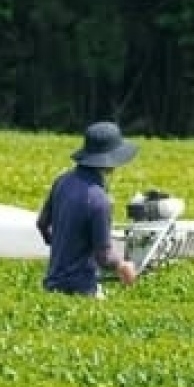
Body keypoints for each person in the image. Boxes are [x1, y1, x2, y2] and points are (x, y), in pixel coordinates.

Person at [36, 121, 139, 298]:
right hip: (82, 290)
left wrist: (61, 245)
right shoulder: (99, 200)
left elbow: (42, 224)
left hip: (52, 285)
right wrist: (123, 266)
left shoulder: (61, 181)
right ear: (111, 162)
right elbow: (104, 257)